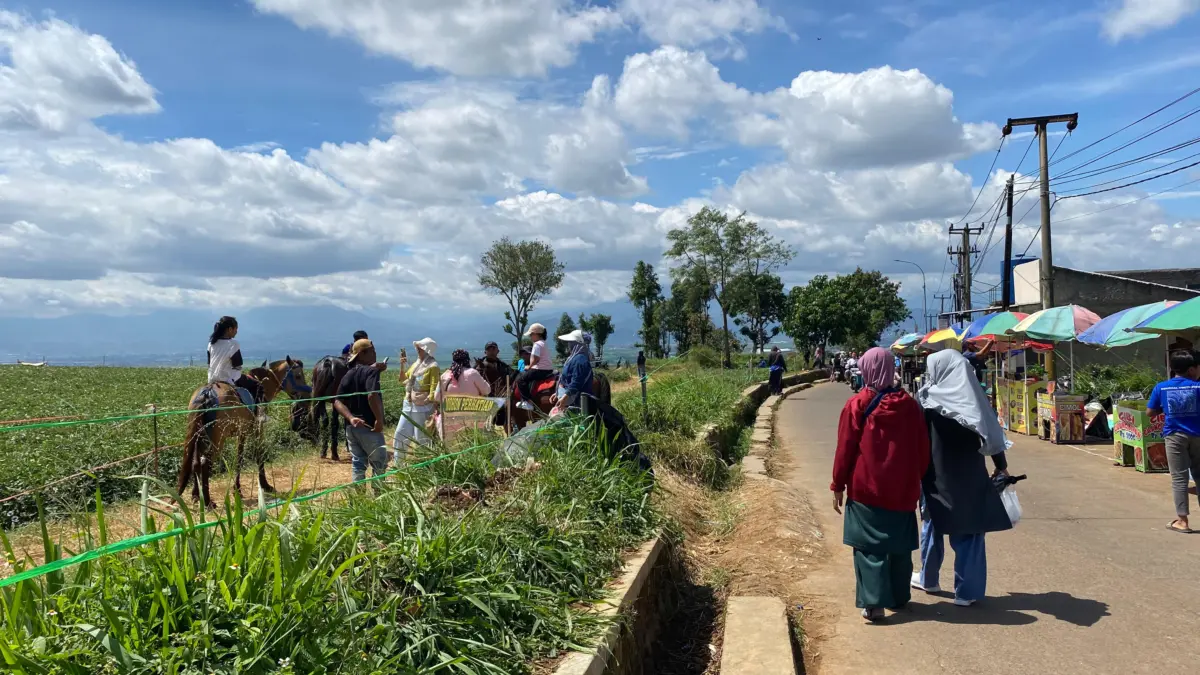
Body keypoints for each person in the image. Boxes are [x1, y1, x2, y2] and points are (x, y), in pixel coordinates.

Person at [831, 347, 930, 622]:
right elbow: (922, 449)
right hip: (902, 489)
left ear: (866, 369)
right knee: (898, 545)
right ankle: (899, 597)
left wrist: (838, 484)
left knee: (868, 547)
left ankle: (874, 604)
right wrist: (915, 478)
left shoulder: (857, 404)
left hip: (867, 489)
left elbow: (845, 449)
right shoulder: (909, 405)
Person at [912, 350, 1013, 607]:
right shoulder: (975, 400)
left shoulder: (925, 401)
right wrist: (1001, 467)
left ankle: (929, 578)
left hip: (935, 476)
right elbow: (993, 437)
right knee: (969, 531)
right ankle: (966, 592)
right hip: (969, 476)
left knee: (933, 524)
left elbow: (916, 439)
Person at [1148, 349, 1200, 533]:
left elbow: (1150, 412)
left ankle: (1182, 521)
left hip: (1174, 436)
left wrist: (1168, 409)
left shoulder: (1161, 387)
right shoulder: (1198, 387)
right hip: (1198, 435)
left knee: (1179, 478)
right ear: (1192, 370)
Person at [332, 339, 387, 481]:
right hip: (370, 426)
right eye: (373, 351)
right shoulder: (371, 372)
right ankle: (380, 498)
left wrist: (350, 418)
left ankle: (359, 499)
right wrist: (379, 420)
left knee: (358, 464)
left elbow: (337, 401)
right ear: (363, 353)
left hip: (351, 428)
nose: (375, 354)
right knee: (379, 465)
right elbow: (372, 395)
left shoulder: (349, 374)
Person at [206, 316, 265, 419]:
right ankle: (258, 415)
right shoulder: (233, 344)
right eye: (235, 329)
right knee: (257, 386)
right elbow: (237, 365)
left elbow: (209, 363)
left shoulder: (211, 344)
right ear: (230, 329)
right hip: (228, 378)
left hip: (212, 379)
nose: (236, 332)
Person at [394, 337, 440, 463]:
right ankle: (399, 466)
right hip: (408, 404)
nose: (418, 350)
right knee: (400, 434)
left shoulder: (433, 366)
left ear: (427, 350)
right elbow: (403, 379)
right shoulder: (415, 364)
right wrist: (402, 365)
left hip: (423, 407)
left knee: (422, 439)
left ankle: (425, 467)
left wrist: (430, 401)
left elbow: (434, 388)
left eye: (420, 348)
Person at [553, 330, 594, 415]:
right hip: (573, 401)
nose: (569, 345)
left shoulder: (580, 360)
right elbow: (566, 379)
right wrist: (557, 393)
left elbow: (576, 382)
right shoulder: (574, 358)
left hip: (577, 402)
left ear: (577, 344)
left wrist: (564, 397)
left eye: (571, 342)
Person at [515, 323, 554, 410]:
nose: (530, 337)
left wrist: (529, 366)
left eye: (531, 334)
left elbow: (536, 358)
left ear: (537, 334)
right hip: (548, 370)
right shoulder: (544, 343)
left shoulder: (537, 344)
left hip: (540, 369)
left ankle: (526, 401)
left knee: (520, 379)